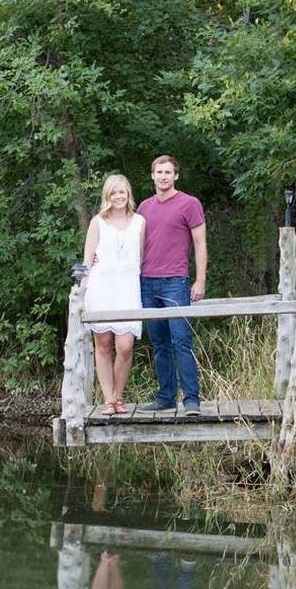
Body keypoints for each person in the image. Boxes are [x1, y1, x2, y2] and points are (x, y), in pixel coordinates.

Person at [137, 155, 207, 415]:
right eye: (159, 172)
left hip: (175, 282)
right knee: (159, 343)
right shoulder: (144, 207)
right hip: (147, 282)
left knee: (181, 341)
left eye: (168, 172)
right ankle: (165, 397)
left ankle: (191, 400)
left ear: (176, 176)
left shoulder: (189, 204)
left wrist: (200, 280)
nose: (163, 176)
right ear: (152, 175)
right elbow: (134, 243)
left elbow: (200, 243)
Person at [82, 174, 145, 416]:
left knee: (126, 345)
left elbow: (139, 258)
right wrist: (81, 290)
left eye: (122, 192)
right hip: (101, 286)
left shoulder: (139, 221)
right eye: (114, 193)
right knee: (104, 344)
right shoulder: (98, 222)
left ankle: (119, 394)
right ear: (107, 197)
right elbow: (88, 260)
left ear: (128, 194)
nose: (119, 197)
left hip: (127, 287)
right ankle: (110, 400)